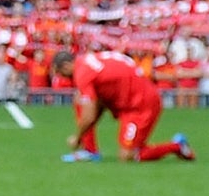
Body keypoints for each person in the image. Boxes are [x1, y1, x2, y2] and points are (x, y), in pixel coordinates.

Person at [58, 48, 193, 162]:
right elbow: (95, 109)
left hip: (141, 105)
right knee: (80, 99)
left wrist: (77, 137)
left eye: (61, 73)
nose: (64, 78)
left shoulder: (82, 73)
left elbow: (89, 116)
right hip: (132, 101)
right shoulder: (88, 61)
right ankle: (90, 151)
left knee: (127, 155)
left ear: (66, 65)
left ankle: (177, 146)